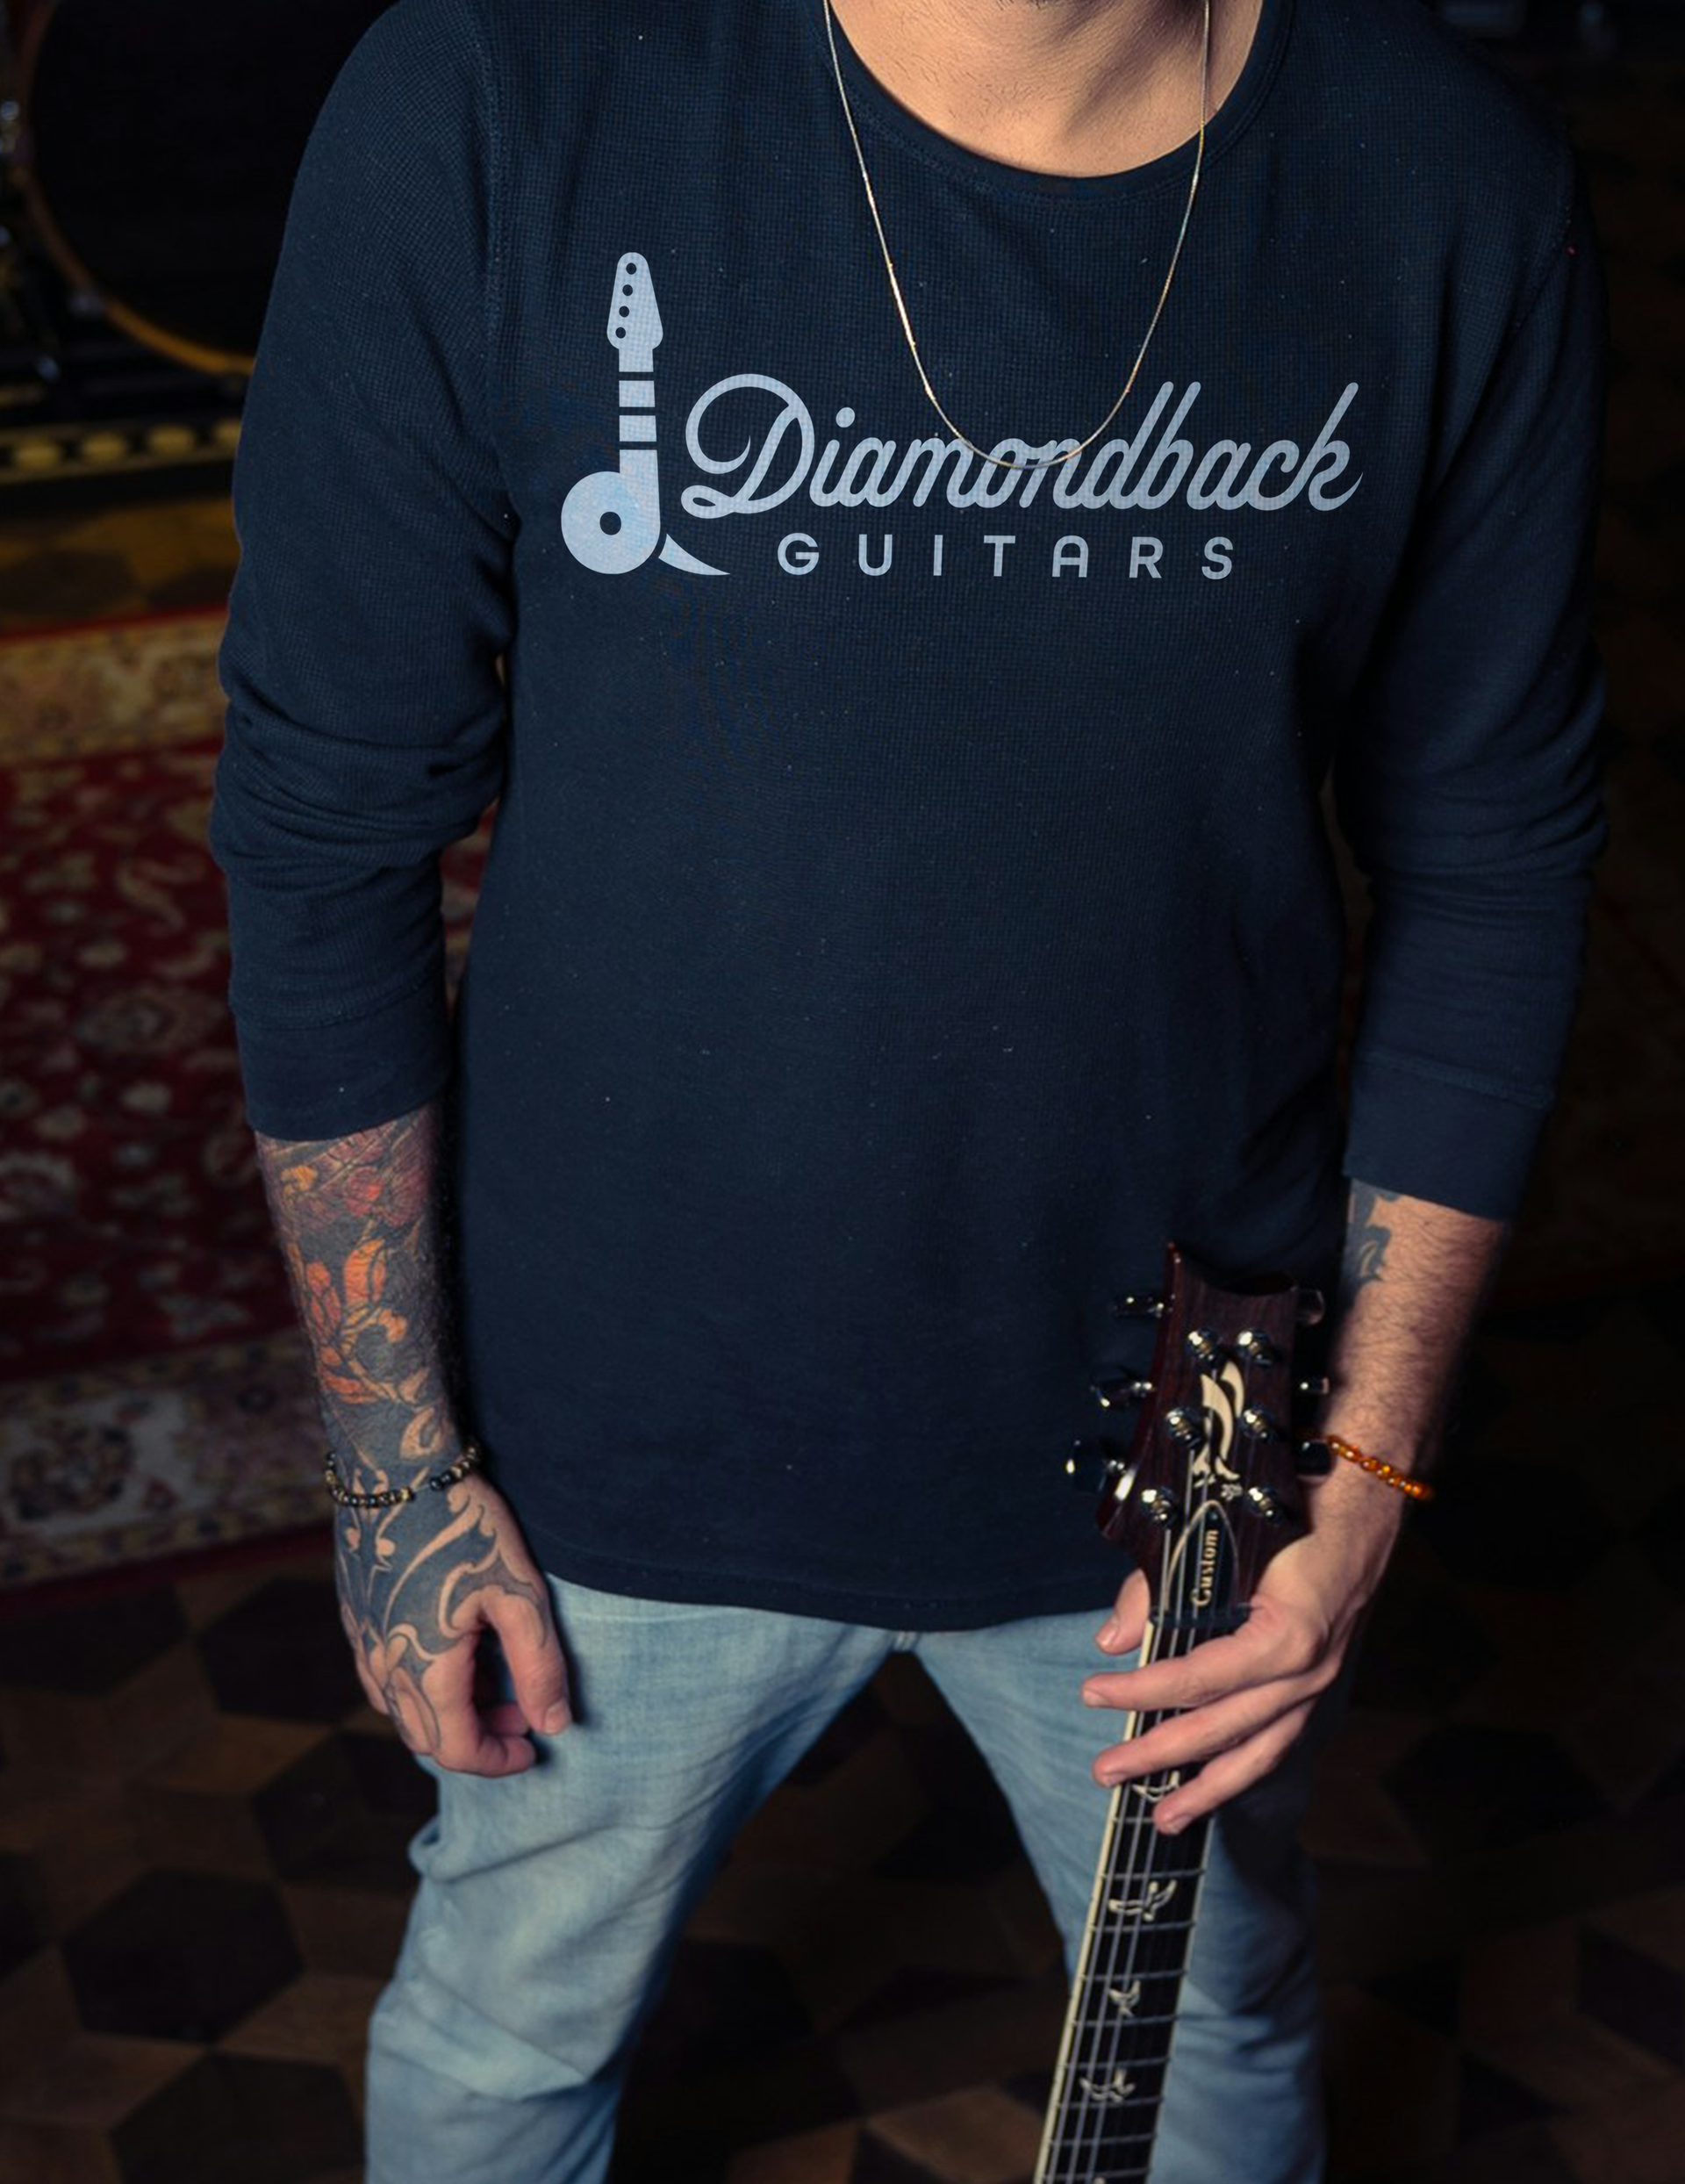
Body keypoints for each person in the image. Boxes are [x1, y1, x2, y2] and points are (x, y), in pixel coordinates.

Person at [208, 0, 1608, 2175]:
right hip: (621, 1427)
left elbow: (1494, 856)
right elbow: (323, 832)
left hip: (1181, 1452)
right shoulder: (495, 97)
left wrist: (1358, 1467)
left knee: (1217, 2026)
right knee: (503, 2036)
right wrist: (398, 1469)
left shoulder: (1449, 186)